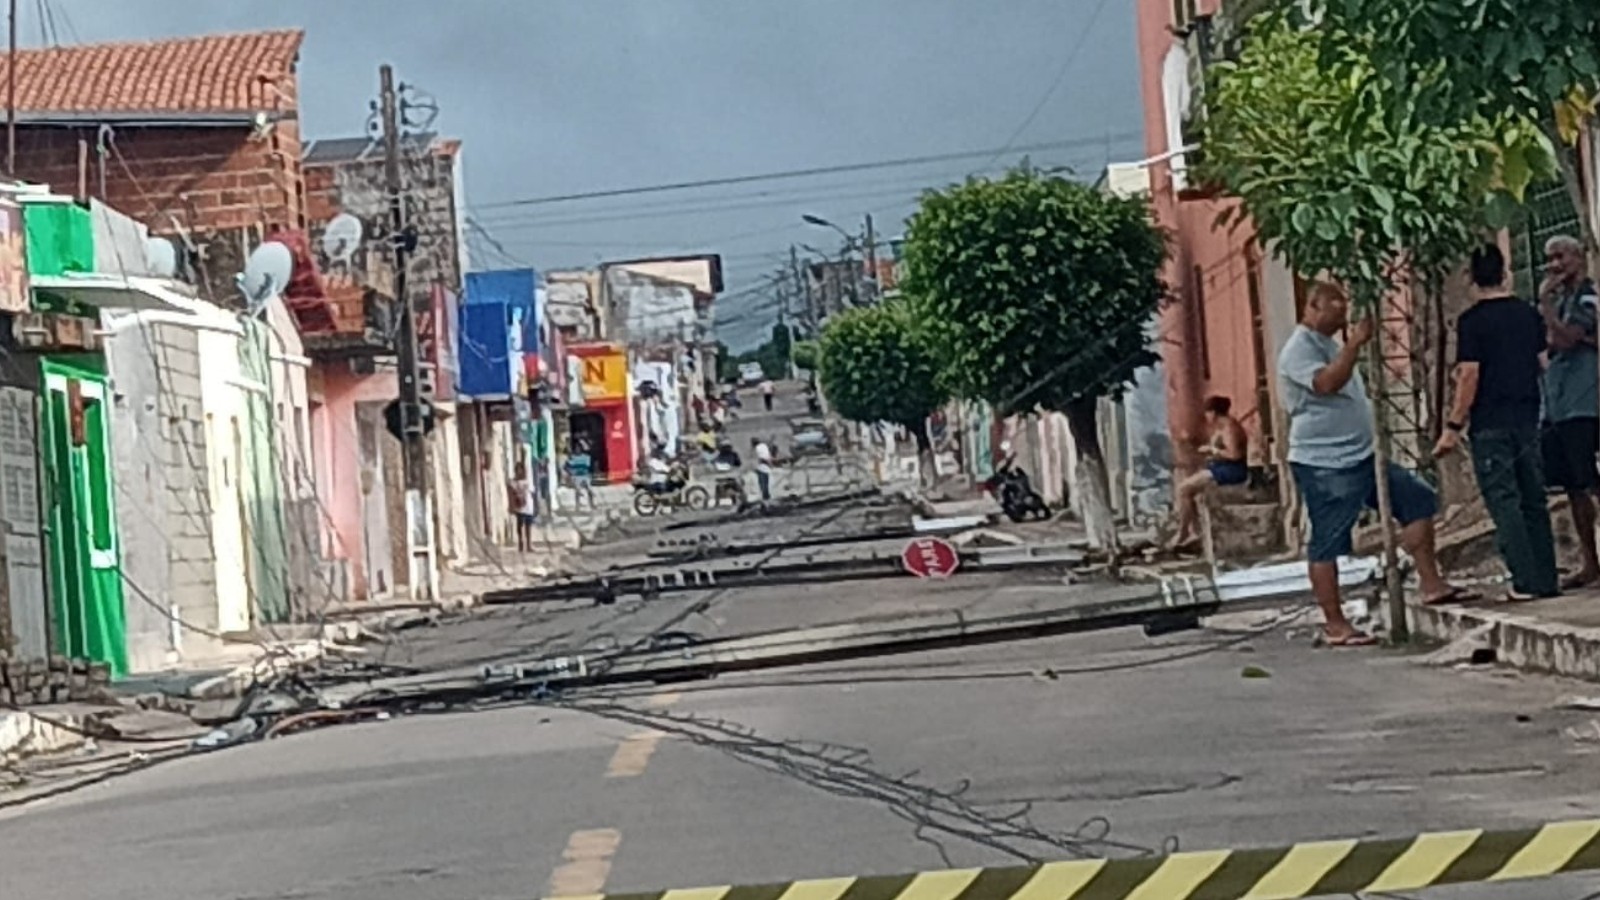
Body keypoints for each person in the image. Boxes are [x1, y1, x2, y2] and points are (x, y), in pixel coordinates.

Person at [1278, 282, 1474, 647]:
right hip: (1325, 461)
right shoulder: (1299, 350)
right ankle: (1335, 623)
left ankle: (1430, 582)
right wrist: (1354, 345)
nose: (1342, 317)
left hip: (1362, 453)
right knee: (1329, 540)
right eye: (1334, 310)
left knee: (1416, 500)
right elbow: (1326, 384)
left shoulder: (1329, 343)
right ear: (1313, 307)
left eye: (1344, 311)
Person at [1433, 243, 1559, 601]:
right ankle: (1546, 578)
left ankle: (1524, 578)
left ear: (1472, 278)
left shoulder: (1472, 322)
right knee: (1534, 498)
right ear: (1505, 274)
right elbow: (1542, 363)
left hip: (1490, 421)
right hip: (1527, 416)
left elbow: (1470, 376)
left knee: (1504, 500)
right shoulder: (1528, 315)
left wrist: (1454, 425)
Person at [1538, 234, 1600, 588]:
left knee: (1588, 479)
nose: (1554, 265)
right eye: (1550, 258)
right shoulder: (1564, 300)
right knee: (1572, 485)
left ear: (1578, 257)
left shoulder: (1587, 297)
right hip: (1558, 402)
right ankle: (1590, 561)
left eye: (1560, 256)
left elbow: (1565, 339)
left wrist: (1546, 306)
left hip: (1583, 401)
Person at [1167, 395, 1249, 551]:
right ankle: (1194, 531)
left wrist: (1213, 450)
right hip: (1218, 467)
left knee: (1184, 489)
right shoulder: (1220, 428)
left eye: (1208, 412)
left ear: (1214, 412)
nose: (1206, 416)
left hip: (1231, 470)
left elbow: (1234, 454)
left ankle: (1184, 532)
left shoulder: (1230, 428)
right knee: (1186, 490)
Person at [508, 463, 537, 553]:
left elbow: (532, 493)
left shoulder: (528, 481)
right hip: (518, 507)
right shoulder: (512, 482)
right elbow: (510, 494)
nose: (519, 472)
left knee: (528, 525)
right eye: (517, 470)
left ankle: (529, 544)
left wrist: (535, 506)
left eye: (521, 469)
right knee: (520, 526)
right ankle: (521, 543)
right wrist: (511, 506)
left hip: (528, 505)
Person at [565, 440, 596, 509]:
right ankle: (578, 504)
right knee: (577, 489)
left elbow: (587, 467)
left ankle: (592, 503)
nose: (577, 450)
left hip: (584, 475)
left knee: (589, 488)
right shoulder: (572, 457)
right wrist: (570, 473)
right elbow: (566, 466)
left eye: (579, 448)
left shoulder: (586, 457)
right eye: (576, 449)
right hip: (576, 476)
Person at [752, 436, 774, 501]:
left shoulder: (757, 448)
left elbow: (762, 458)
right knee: (766, 482)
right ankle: (766, 495)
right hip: (766, 466)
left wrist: (768, 463)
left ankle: (765, 496)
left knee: (762, 483)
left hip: (762, 467)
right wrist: (770, 463)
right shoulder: (764, 446)